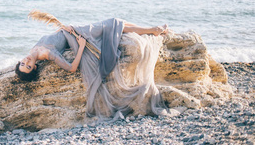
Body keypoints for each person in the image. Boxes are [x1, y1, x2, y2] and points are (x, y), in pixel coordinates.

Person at [15, 18, 175, 119]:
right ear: (35, 67)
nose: (26, 62)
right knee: (113, 24)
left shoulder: (32, 50)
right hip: (79, 36)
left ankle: (152, 29)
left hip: (72, 30)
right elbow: (71, 68)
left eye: (23, 64)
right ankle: (153, 30)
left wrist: (62, 29)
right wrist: (82, 44)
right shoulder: (47, 54)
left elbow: (54, 37)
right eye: (28, 67)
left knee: (118, 23)